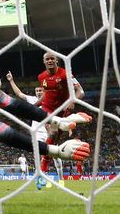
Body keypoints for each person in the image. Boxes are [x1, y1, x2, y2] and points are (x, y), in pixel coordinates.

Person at [6, 70, 66, 187]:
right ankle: (43, 179)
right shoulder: (32, 100)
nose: (38, 92)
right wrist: (11, 80)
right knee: (39, 158)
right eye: (37, 91)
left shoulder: (50, 101)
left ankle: (61, 179)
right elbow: (19, 94)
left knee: (56, 158)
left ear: (44, 91)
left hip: (50, 133)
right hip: (37, 133)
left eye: (40, 90)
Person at [36, 52, 86, 187]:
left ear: (57, 61)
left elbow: (80, 91)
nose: (50, 61)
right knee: (52, 134)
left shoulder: (66, 74)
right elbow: (45, 95)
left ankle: (44, 167)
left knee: (53, 143)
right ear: (44, 61)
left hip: (63, 111)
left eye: (52, 58)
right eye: (47, 59)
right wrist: (34, 106)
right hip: (47, 109)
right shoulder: (41, 77)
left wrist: (72, 101)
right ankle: (42, 173)